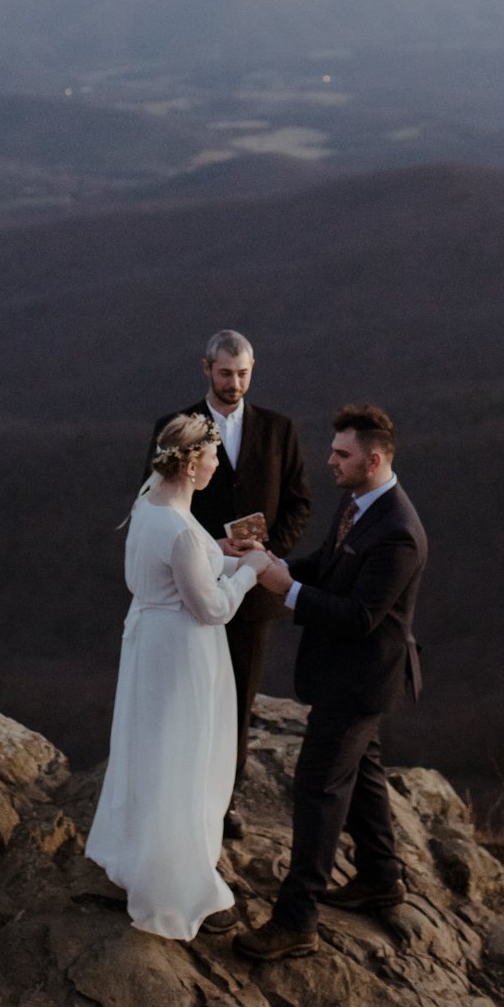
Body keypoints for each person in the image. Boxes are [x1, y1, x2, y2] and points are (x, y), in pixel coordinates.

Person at [235, 403, 427, 962]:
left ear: (372, 460)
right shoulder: (361, 499)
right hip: (351, 677)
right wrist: (278, 564)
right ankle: (380, 878)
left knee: (317, 791)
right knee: (362, 775)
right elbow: (329, 559)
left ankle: (297, 922)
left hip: (358, 681)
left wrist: (283, 589)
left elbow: (359, 617)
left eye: (341, 454)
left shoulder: (398, 534)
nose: (330, 461)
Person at [85, 413, 265, 940]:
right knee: (185, 758)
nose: (216, 464)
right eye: (211, 456)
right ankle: (179, 883)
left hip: (151, 644)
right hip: (184, 652)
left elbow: (179, 574)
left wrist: (229, 562)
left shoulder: (148, 506)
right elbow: (211, 608)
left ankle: (144, 856)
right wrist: (252, 571)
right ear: (191, 465)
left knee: (153, 750)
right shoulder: (182, 530)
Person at [146, 329, 311, 836]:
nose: (234, 383)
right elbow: (158, 498)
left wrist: (268, 555)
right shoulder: (174, 427)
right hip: (192, 583)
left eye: (242, 373)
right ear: (206, 369)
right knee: (187, 697)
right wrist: (204, 549)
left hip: (252, 594)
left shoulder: (280, 429)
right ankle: (178, 794)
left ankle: (224, 801)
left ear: (253, 369)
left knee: (237, 699)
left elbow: (299, 503)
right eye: (225, 373)